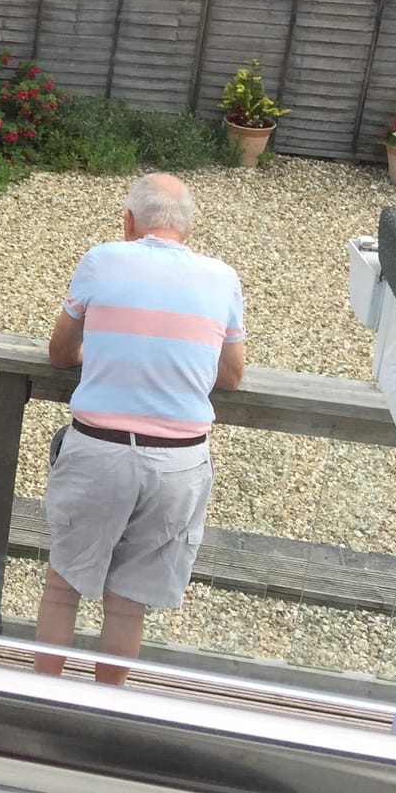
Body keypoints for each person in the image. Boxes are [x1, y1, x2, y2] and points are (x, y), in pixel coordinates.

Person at [32, 173, 245, 684]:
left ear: (129, 221)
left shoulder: (102, 259)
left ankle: (37, 701)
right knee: (128, 605)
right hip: (179, 460)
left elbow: (60, 353)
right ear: (188, 229)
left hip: (99, 450)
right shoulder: (223, 277)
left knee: (62, 587)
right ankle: (104, 711)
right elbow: (232, 376)